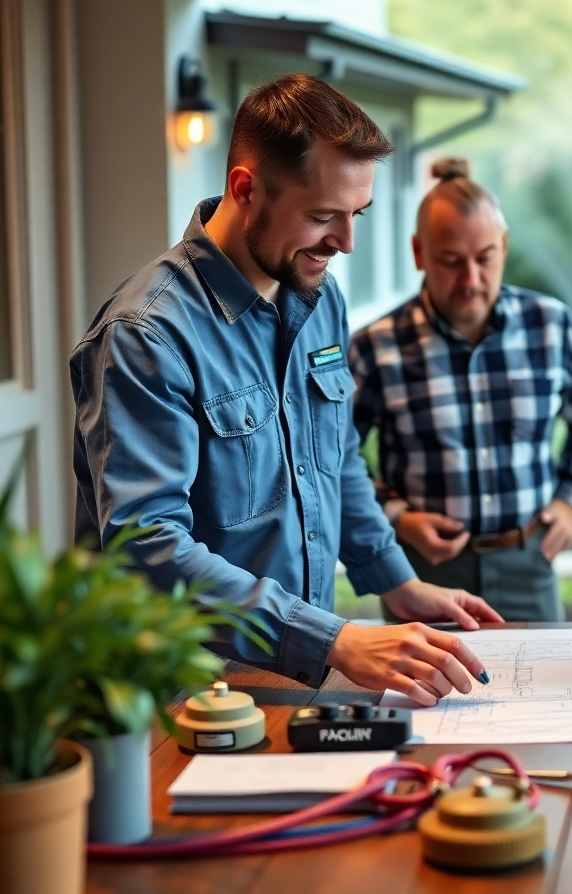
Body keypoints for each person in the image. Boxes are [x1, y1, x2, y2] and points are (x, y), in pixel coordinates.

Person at [72, 75, 503, 707]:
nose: (346, 243)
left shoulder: (318, 296)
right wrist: (332, 640)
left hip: (299, 677)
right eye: (322, 216)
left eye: (356, 216)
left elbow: (335, 459)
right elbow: (148, 547)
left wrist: (394, 578)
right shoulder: (147, 335)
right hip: (180, 697)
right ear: (246, 190)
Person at [349, 158, 572, 622]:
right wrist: (396, 516)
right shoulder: (377, 346)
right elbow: (331, 456)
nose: (471, 279)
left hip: (529, 562)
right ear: (418, 253)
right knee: (424, 695)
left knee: (549, 694)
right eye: (451, 261)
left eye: (484, 258)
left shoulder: (550, 325)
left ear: (505, 246)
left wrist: (571, 501)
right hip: (422, 573)